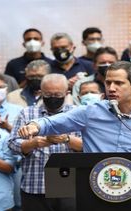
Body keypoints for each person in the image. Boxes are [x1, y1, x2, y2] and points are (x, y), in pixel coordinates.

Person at [15, 61, 131, 168]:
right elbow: (52, 123)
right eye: (108, 82)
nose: (111, 88)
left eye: (118, 83)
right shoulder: (91, 112)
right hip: (94, 187)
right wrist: (35, 126)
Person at [8, 73, 82, 211]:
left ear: (67, 93)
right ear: (41, 93)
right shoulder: (27, 113)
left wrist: (66, 139)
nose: (53, 98)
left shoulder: (76, 113)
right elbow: (12, 144)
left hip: (66, 182)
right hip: (34, 183)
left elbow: (87, 146)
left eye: (57, 94)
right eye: (48, 94)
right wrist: (34, 143)